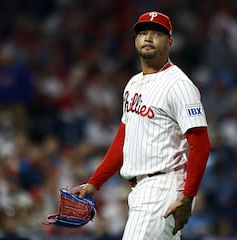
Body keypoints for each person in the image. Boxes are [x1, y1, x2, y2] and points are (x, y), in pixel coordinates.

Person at [72, 11, 211, 240]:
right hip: (140, 189)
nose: (148, 38)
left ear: (169, 42)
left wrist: (187, 196)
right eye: (143, 33)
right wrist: (94, 183)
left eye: (156, 33)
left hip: (162, 187)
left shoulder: (179, 85)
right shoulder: (133, 83)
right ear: (135, 40)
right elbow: (124, 140)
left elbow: (201, 144)